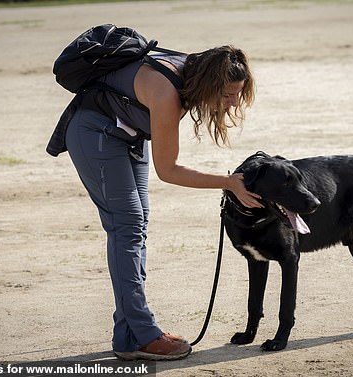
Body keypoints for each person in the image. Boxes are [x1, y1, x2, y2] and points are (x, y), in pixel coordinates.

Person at [63, 45, 262, 361]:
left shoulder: (192, 72)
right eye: (226, 94)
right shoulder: (168, 94)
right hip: (94, 132)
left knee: (136, 224)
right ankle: (144, 334)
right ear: (209, 83)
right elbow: (168, 170)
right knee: (126, 226)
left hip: (128, 134)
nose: (233, 103)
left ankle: (128, 336)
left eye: (237, 94)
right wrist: (228, 183)